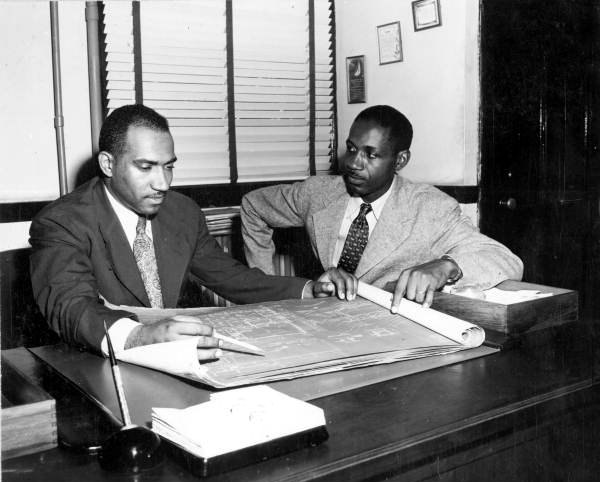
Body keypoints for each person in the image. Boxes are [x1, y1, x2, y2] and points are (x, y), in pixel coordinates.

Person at [29, 104, 344, 359]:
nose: (163, 183)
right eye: (146, 167)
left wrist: (306, 290)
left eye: (168, 166)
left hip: (176, 357)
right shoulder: (62, 221)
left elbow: (232, 278)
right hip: (101, 360)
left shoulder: (182, 212)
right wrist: (140, 335)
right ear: (108, 165)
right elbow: (70, 307)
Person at [241, 105, 524, 312]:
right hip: (322, 318)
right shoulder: (318, 193)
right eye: (351, 149)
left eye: (370, 154)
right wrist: (270, 292)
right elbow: (253, 206)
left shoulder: (429, 208)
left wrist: (446, 267)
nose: (353, 163)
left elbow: (505, 259)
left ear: (400, 161)